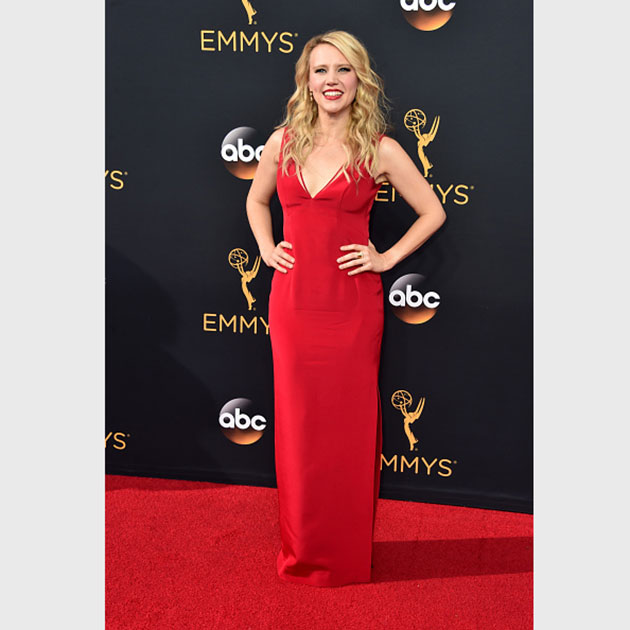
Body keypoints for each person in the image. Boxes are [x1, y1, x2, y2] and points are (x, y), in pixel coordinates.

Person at [246, 30, 446, 587]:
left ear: (360, 80)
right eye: (320, 70)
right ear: (306, 82)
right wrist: (266, 247)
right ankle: (303, 550)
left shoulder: (378, 149)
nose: (331, 80)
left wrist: (386, 258)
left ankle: (344, 555)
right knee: (298, 427)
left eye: (343, 70)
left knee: (346, 429)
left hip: (351, 307)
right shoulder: (283, 142)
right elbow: (256, 198)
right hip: (293, 304)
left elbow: (433, 211)